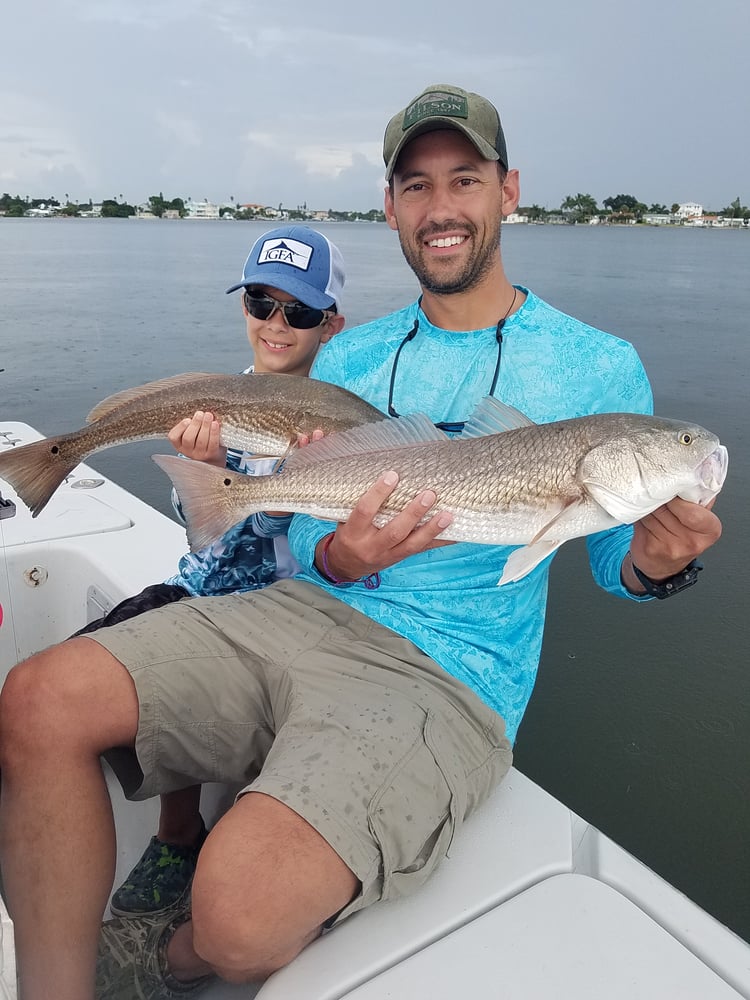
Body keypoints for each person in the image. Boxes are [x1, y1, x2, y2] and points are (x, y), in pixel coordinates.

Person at [0, 84, 722, 1000]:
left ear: (508, 190)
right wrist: (343, 558)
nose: (442, 207)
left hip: (450, 676)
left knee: (238, 916)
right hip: (302, 608)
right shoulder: (349, 356)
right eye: (416, 186)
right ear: (390, 208)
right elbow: (306, 536)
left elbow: (607, 564)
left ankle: (158, 956)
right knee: (36, 700)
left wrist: (657, 568)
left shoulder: (600, 367)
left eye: (464, 178)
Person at [73, 223, 346, 919]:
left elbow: (338, 539)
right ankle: (178, 829)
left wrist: (278, 488)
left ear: (331, 323)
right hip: (207, 586)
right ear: (243, 307)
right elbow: (203, 545)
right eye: (261, 302)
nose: (277, 324)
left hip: (299, 607)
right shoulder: (215, 402)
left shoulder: (345, 416)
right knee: (84, 671)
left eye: (301, 311)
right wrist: (211, 471)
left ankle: (199, 831)